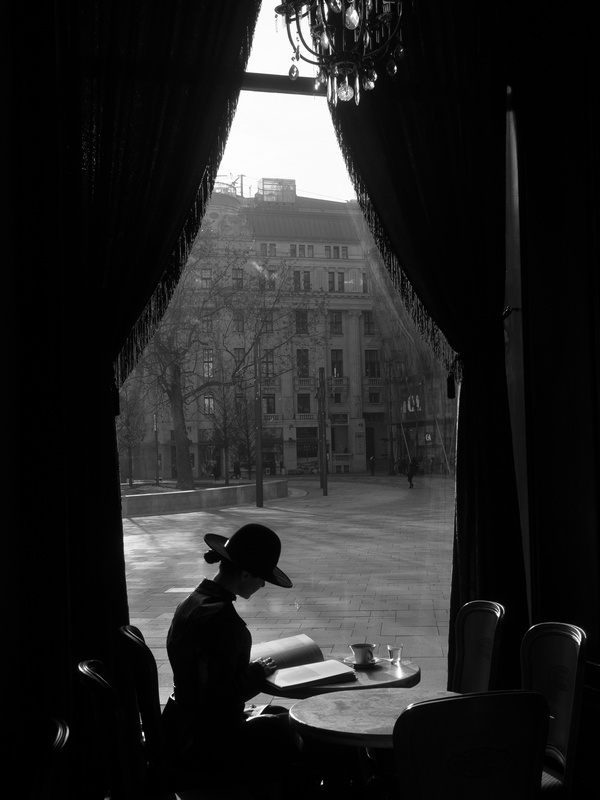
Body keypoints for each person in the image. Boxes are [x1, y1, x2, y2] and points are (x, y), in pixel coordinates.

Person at [162, 523, 315, 795]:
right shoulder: (224, 622)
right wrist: (256, 672)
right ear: (245, 574)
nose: (263, 584)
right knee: (297, 734)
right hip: (207, 742)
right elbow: (220, 697)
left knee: (280, 717)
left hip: (181, 728)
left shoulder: (191, 602)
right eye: (261, 577)